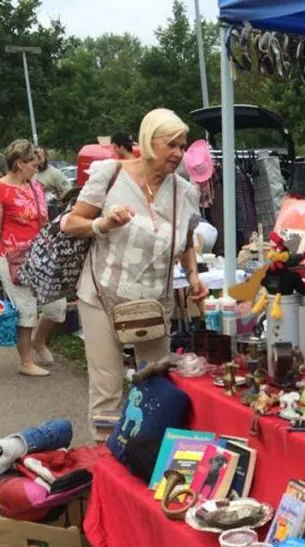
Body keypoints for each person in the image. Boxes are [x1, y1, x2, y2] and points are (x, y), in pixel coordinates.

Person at [62, 108, 208, 438]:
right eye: (171, 144)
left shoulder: (185, 192)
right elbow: (71, 223)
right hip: (102, 295)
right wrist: (103, 223)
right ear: (148, 140)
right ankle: (104, 453)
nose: (178, 153)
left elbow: (186, 241)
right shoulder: (110, 175)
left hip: (153, 303)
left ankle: (145, 452)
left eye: (182, 146)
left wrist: (193, 276)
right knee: (107, 386)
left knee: (154, 386)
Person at [0, 139, 67, 377]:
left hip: (40, 255)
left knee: (57, 307)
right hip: (12, 258)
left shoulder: (36, 186)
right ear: (20, 163)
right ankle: (26, 361)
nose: (36, 168)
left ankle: (39, 340)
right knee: (25, 310)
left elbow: (43, 222)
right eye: (33, 164)